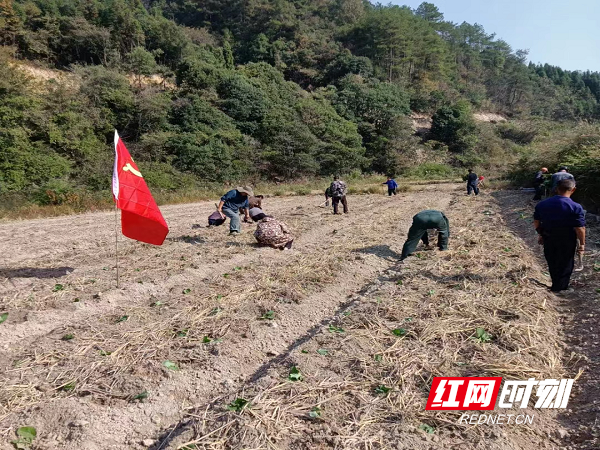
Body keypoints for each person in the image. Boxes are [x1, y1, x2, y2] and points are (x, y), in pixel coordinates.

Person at [534, 179, 585, 293]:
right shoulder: (575, 206)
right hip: (567, 238)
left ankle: (555, 284)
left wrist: (541, 234)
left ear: (556, 189)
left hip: (548, 236)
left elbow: (537, 222)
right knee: (566, 262)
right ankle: (561, 287)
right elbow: (580, 228)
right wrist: (582, 244)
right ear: (573, 189)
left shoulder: (542, 204)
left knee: (552, 259)